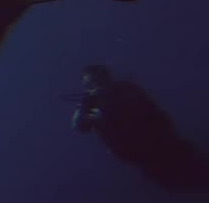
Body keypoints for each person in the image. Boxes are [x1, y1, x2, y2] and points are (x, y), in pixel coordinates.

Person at [70, 64, 209, 192]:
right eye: (88, 85)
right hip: (145, 161)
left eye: (95, 82)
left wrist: (108, 115)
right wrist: (80, 113)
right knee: (183, 185)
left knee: (198, 173)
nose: (93, 88)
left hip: (166, 147)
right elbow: (81, 127)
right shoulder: (91, 104)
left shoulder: (126, 91)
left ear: (107, 79)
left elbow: (143, 115)